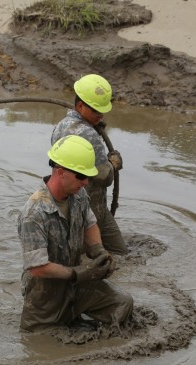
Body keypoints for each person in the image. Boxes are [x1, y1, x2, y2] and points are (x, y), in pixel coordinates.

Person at [17, 135, 133, 332]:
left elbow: (90, 223)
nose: (86, 182)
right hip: (45, 297)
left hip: (77, 286)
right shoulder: (34, 213)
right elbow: (37, 268)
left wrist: (99, 250)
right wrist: (78, 273)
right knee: (40, 346)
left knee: (123, 303)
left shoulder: (78, 195)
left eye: (88, 176)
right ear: (61, 172)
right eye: (81, 176)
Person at [51, 74, 127, 254]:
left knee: (106, 251)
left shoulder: (61, 125)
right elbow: (105, 177)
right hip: (90, 206)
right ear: (80, 106)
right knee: (113, 253)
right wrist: (114, 163)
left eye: (102, 111)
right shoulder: (89, 135)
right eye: (95, 111)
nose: (100, 115)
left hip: (67, 204)